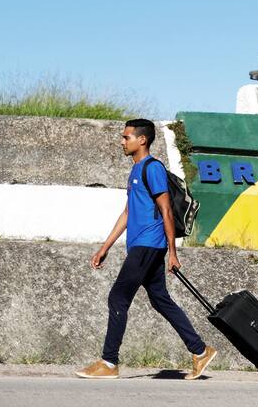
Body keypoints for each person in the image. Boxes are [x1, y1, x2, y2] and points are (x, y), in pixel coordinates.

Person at [75, 119, 216, 380]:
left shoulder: (152, 168)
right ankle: (200, 351)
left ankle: (109, 362)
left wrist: (172, 253)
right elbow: (128, 212)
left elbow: (166, 211)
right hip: (141, 245)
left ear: (142, 140)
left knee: (118, 298)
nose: (122, 141)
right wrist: (105, 247)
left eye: (126, 137)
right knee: (160, 299)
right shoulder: (135, 170)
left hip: (149, 245)